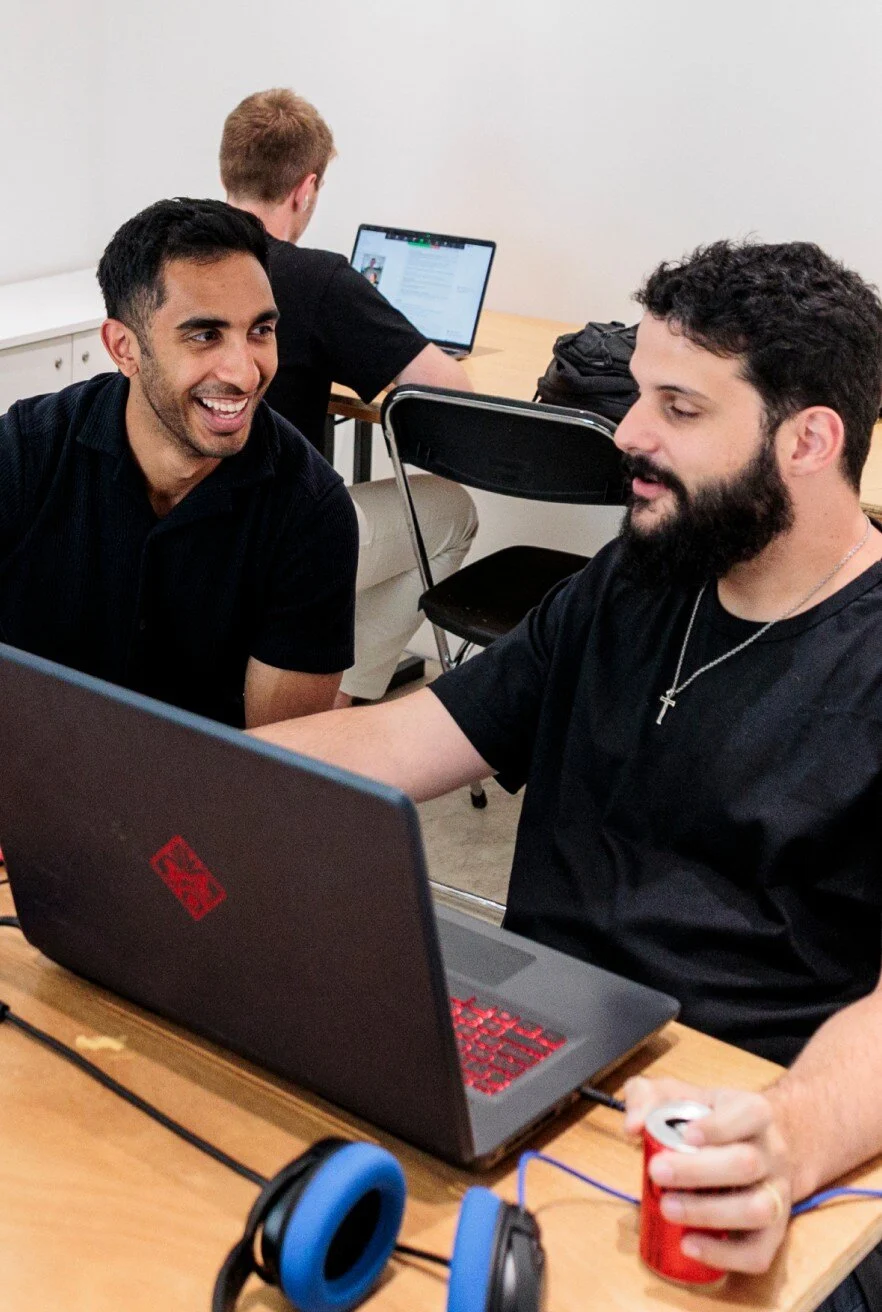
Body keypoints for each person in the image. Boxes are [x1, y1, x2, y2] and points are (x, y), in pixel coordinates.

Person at [252, 240, 882, 1307]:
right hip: (538, 1060)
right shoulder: (640, 575)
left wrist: (795, 1135)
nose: (627, 434)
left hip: (734, 1129)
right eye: (639, 393)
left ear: (810, 439)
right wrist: (177, 780)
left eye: (679, 408)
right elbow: (406, 740)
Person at [0, 198, 358, 730]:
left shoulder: (311, 512)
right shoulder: (24, 454)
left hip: (200, 803)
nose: (245, 372)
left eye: (260, 330)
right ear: (124, 348)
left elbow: (278, 766)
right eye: (204, 335)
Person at [220, 89, 478, 705]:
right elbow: (451, 392)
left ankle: (316, 683)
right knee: (452, 511)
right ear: (305, 189)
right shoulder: (319, 279)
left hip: (189, 530)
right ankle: (341, 702)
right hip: (275, 549)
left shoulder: (174, 258)